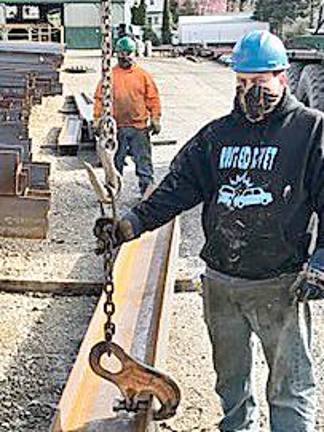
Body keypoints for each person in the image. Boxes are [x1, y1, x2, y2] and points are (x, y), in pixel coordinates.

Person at [94, 30, 324, 432]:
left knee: (289, 389)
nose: (251, 92)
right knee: (230, 383)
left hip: (280, 285)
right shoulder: (218, 136)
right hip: (222, 285)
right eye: (242, 82)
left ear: (283, 77)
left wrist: (321, 265)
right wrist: (131, 223)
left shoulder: (309, 132)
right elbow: (179, 186)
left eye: (260, 82)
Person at [93, 36, 161, 196]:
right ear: (116, 54)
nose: (125, 56)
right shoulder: (110, 76)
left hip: (139, 127)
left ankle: (147, 190)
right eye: (121, 53)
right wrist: (97, 120)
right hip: (117, 128)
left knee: (143, 160)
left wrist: (155, 118)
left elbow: (153, 98)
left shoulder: (143, 76)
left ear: (134, 53)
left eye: (128, 53)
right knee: (115, 161)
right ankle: (112, 190)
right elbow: (99, 98)